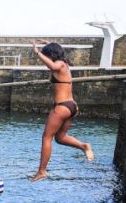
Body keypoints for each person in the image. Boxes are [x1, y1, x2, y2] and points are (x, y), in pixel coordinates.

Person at [31, 40, 94, 181]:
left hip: (63, 107)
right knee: (60, 138)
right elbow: (57, 50)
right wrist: (48, 43)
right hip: (71, 106)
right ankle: (83, 146)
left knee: (46, 137)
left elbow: (52, 64)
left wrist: (38, 52)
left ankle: (41, 171)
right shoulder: (64, 64)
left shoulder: (58, 64)